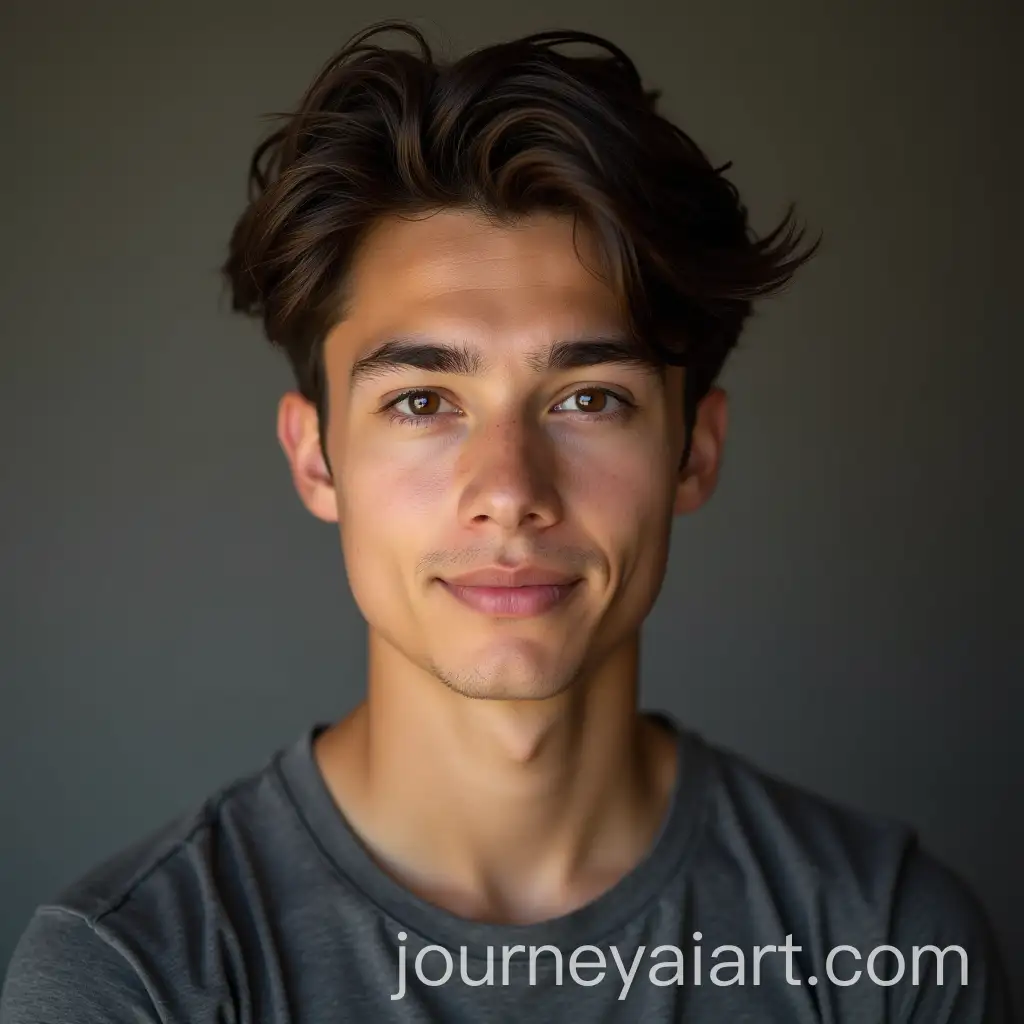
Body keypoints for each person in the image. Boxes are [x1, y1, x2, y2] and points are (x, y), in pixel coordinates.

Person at [1, 19, 1012, 1023]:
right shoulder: (133, 976)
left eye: (588, 399)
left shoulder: (883, 942)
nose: (509, 488)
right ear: (316, 458)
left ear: (694, 450)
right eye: (422, 401)